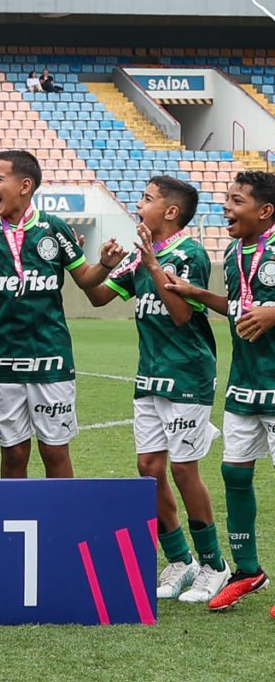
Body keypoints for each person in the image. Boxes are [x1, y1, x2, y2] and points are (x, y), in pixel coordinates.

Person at [88, 176, 228, 605]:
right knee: (149, 468)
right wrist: (105, 264)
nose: (138, 204)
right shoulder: (139, 254)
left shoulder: (189, 254)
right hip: (149, 375)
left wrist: (151, 265)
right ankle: (180, 560)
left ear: (170, 211)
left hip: (187, 374)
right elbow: (98, 297)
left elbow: (183, 315)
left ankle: (214, 565)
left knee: (185, 470)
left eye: (146, 199)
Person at [0, 149, 119, 479]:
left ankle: (63, 513)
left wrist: (104, 264)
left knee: (55, 450)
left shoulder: (55, 228)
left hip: (51, 357)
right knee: (13, 452)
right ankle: (14, 512)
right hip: (5, 358)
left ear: (25, 185)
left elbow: (85, 278)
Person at [159, 170, 275, 612]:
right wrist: (195, 293)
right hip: (244, 381)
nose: (226, 206)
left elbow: (263, 310)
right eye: (227, 198)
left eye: (237, 200)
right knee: (234, 474)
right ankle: (248, 571)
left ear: (265, 211)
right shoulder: (231, 252)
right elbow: (238, 307)